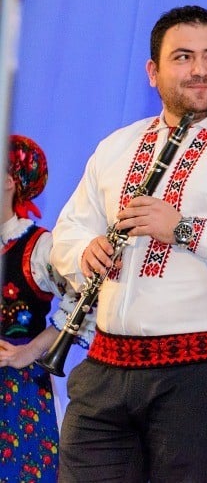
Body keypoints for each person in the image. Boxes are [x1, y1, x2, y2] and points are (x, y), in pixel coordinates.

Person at [51, 5, 207, 482]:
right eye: (183, 57)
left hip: (199, 376)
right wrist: (83, 252)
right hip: (103, 368)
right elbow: (68, 230)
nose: (200, 70)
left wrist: (184, 228)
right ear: (153, 72)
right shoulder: (117, 146)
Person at [1, 135, 95, 482]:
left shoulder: (39, 246)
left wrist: (30, 352)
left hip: (16, 394)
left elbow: (87, 299)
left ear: (10, 180)